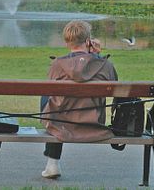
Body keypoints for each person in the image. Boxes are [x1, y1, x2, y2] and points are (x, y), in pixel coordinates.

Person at [40, 20, 118, 179]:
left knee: (49, 96)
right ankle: (52, 163)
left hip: (60, 124)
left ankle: (52, 163)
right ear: (88, 41)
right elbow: (117, 90)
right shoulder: (105, 65)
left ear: (66, 42)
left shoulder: (57, 65)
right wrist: (96, 56)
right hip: (94, 122)